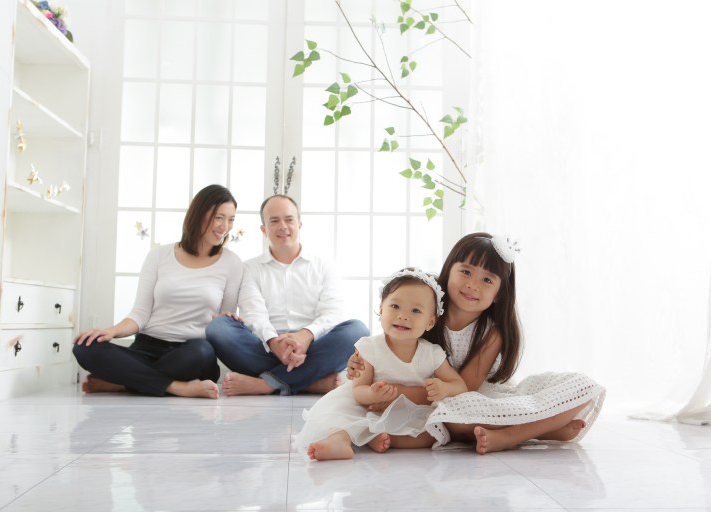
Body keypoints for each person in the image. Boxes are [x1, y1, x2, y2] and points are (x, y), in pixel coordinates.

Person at [348, 232, 606, 453]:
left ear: (498, 293)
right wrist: (361, 363)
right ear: (448, 272)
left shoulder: (492, 333)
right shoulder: (425, 310)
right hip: (435, 401)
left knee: (585, 388)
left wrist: (397, 393)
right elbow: (389, 342)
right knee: (453, 421)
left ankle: (513, 435)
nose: (472, 285)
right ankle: (543, 428)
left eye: (487, 280)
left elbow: (466, 387)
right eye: (466, 272)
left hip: (473, 395)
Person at [73, 184, 243, 399]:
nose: (225, 226)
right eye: (219, 217)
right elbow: (140, 314)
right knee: (84, 347)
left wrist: (233, 322)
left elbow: (221, 325)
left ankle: (126, 382)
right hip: (146, 349)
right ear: (199, 214)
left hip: (191, 353)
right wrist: (112, 331)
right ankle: (176, 387)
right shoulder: (159, 256)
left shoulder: (232, 263)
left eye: (231, 219)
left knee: (202, 352)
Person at [293, 268, 467, 461]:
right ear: (381, 309)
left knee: (432, 433)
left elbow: (460, 385)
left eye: (416, 310)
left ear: (430, 322)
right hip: (369, 407)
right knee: (345, 417)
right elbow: (358, 390)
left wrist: (444, 388)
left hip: (411, 411)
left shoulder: (432, 353)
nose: (403, 316)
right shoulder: (370, 348)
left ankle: (377, 437)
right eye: (395, 306)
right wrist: (372, 394)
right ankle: (340, 441)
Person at [205, 194, 369, 396]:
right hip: (264, 349)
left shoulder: (323, 266)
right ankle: (309, 382)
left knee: (357, 331)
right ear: (264, 230)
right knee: (219, 328)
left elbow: (333, 312)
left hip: (312, 349)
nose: (283, 226)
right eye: (274, 221)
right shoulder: (249, 268)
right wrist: (274, 343)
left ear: (299, 224)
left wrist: (305, 336)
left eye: (289, 219)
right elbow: (254, 313)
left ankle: (266, 384)